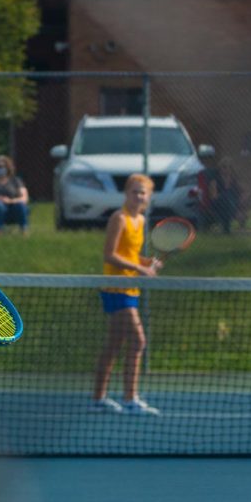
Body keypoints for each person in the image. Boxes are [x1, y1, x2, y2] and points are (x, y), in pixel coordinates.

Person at [91, 173, 161, 415]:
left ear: (148, 197)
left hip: (131, 288)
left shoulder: (140, 220)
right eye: (135, 191)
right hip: (115, 288)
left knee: (113, 345)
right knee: (138, 341)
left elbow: (128, 254)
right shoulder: (118, 218)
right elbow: (110, 255)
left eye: (143, 192)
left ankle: (98, 399)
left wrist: (146, 262)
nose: (139, 196)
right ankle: (130, 398)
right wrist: (140, 268)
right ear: (126, 194)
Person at [207, 157, 247, 233]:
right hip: (218, 204)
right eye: (224, 167)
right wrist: (225, 197)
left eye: (229, 167)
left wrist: (242, 197)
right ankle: (235, 216)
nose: (226, 169)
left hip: (232, 204)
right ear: (220, 168)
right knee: (226, 197)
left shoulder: (234, 180)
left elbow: (244, 191)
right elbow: (213, 196)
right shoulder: (215, 180)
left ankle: (226, 227)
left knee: (229, 198)